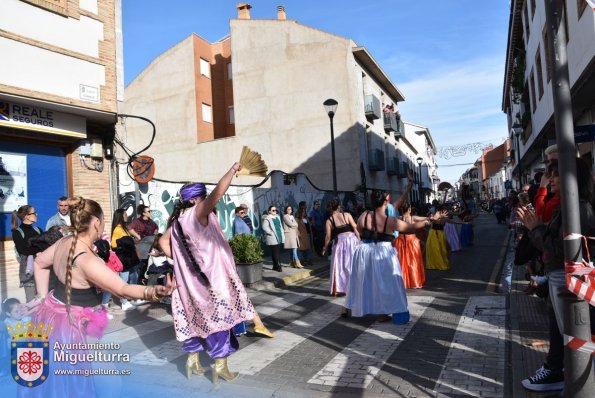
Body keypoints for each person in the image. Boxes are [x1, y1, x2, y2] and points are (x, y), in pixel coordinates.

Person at [27, 196, 174, 396]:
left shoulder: (65, 242)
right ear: (96, 223)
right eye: (103, 221)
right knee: (109, 383)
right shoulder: (86, 260)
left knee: (64, 378)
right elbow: (122, 289)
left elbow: (39, 262)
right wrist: (154, 292)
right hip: (76, 327)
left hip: (54, 316)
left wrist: (42, 296)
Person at [158, 164, 271, 385]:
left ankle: (193, 361)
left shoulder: (179, 221)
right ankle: (220, 367)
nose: (205, 200)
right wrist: (232, 171)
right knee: (218, 320)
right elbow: (218, 193)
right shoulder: (197, 213)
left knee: (194, 319)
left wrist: (183, 261)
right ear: (194, 200)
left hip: (188, 281)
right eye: (201, 197)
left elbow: (162, 241)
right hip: (209, 280)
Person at [518, 158, 595, 392]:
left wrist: (535, 228)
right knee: (564, 331)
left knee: (575, 333)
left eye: (554, 175)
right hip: (560, 275)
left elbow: (561, 248)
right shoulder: (570, 205)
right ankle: (568, 376)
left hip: (569, 276)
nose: (549, 180)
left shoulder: (578, 208)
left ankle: (579, 381)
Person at [345, 191, 443, 323]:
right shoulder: (390, 221)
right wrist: (428, 221)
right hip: (382, 252)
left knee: (367, 281)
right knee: (389, 282)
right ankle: (384, 312)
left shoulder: (364, 215)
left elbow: (360, 229)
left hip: (364, 251)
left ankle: (369, 309)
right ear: (385, 202)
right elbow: (411, 227)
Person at [104, 209, 141, 311]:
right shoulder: (118, 229)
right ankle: (124, 302)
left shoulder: (124, 228)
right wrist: (127, 241)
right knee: (123, 280)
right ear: (121, 216)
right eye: (125, 214)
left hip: (130, 258)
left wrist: (131, 241)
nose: (127, 216)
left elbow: (127, 241)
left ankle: (133, 297)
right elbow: (114, 244)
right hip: (123, 259)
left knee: (134, 276)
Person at [322, 199, 360, 298]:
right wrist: (359, 240)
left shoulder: (329, 220)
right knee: (353, 265)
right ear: (338, 206)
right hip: (352, 240)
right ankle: (356, 287)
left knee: (340, 266)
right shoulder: (347, 215)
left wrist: (325, 247)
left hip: (340, 242)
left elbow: (328, 237)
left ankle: (341, 288)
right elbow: (355, 227)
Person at [12, 205, 43, 302]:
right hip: (29, 274)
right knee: (31, 302)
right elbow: (23, 250)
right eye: (34, 213)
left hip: (42, 270)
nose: (36, 214)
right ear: (26, 216)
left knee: (43, 301)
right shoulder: (18, 232)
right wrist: (38, 250)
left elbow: (46, 246)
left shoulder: (38, 230)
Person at [395, 203, 428, 289]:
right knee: (413, 262)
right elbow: (426, 218)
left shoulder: (398, 218)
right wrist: (432, 218)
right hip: (412, 241)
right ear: (409, 209)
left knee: (402, 262)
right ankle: (414, 281)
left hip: (400, 241)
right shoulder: (413, 218)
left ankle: (403, 281)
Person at [425, 205, 451, 270]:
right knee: (439, 249)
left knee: (440, 249)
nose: (446, 211)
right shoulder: (438, 215)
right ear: (442, 209)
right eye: (444, 209)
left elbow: (444, 222)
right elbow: (437, 222)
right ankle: (441, 263)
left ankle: (439, 263)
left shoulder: (439, 215)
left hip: (437, 233)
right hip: (436, 233)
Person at [262, 205, 285, 272]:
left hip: (279, 236)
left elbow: (280, 226)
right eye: (273, 210)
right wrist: (270, 232)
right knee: (276, 252)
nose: (275, 211)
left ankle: (275, 266)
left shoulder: (277, 217)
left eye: (275, 210)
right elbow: (264, 227)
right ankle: (278, 266)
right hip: (273, 237)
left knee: (274, 252)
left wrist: (282, 233)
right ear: (269, 211)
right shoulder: (268, 218)